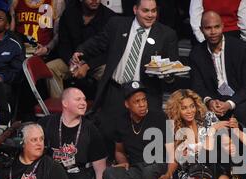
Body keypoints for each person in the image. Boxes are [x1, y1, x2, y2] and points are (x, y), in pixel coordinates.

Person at [72, 0, 178, 156]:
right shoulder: (117, 24)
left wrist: (168, 75)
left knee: (145, 139)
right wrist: (81, 51)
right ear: (135, 9)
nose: (150, 15)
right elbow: (99, 42)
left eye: (153, 11)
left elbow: (172, 67)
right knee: (107, 133)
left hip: (146, 94)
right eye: (146, 11)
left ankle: (138, 172)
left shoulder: (167, 34)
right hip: (116, 90)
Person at [189, 11, 246, 134]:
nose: (213, 32)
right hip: (215, 99)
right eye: (208, 28)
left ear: (223, 26)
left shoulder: (242, 49)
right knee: (195, 110)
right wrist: (209, 101)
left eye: (216, 27)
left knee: (242, 110)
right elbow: (197, 86)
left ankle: (245, 149)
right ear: (201, 30)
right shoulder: (196, 54)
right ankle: (207, 150)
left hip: (243, 99)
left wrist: (229, 104)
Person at [38, 87, 109, 179]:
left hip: (78, 172)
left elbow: (101, 171)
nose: (84, 103)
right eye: (78, 99)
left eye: (84, 99)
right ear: (65, 103)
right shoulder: (47, 123)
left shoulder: (91, 130)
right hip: (53, 172)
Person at [46, 0, 116, 98]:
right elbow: (63, 44)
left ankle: (103, 109)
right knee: (51, 68)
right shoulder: (69, 13)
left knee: (109, 72)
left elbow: (111, 51)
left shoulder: (110, 17)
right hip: (73, 60)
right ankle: (61, 108)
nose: (95, 1)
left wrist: (87, 66)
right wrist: (70, 61)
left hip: (97, 63)